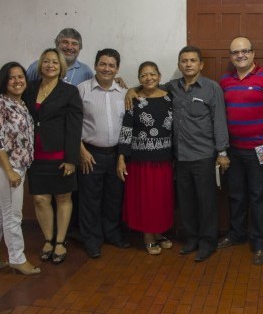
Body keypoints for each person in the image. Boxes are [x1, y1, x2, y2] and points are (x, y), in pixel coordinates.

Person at [125, 47, 229, 262]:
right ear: (179, 65)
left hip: (203, 155)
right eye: (184, 61)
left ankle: (207, 242)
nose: (188, 64)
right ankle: (191, 239)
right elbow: (148, 85)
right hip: (179, 157)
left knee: (206, 202)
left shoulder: (212, 88)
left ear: (201, 64)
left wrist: (222, 152)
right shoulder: (172, 88)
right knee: (186, 201)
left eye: (193, 60)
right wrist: (131, 90)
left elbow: (219, 121)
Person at [218, 36, 263, 265]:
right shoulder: (225, 81)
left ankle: (261, 243)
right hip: (233, 150)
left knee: (259, 198)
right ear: (230, 56)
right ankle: (237, 234)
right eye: (235, 52)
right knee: (236, 195)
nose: (240, 55)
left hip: (260, 150)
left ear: (253, 53)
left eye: (245, 51)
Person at [23, 48, 83, 265]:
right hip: (34, 155)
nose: (50, 65)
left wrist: (71, 158)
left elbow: (75, 127)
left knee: (63, 197)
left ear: (61, 67)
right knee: (40, 199)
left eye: (55, 63)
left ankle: (60, 241)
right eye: (46, 62)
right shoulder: (29, 89)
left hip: (60, 155)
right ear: (40, 65)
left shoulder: (69, 91)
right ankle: (48, 239)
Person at [117, 61, 174, 255]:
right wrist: (121, 157)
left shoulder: (169, 98)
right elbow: (126, 129)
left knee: (161, 199)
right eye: (144, 75)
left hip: (164, 159)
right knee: (147, 199)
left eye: (152, 74)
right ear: (139, 79)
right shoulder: (133, 100)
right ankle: (148, 236)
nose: (148, 78)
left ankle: (158, 232)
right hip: (141, 160)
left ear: (159, 76)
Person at [78, 49, 129, 259]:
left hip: (117, 155)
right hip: (90, 153)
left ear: (117, 68)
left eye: (111, 65)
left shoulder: (124, 92)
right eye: (102, 64)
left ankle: (112, 234)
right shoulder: (81, 90)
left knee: (114, 197)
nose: (107, 69)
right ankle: (91, 240)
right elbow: (72, 124)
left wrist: (122, 156)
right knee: (90, 200)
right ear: (96, 65)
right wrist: (81, 151)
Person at [0, 62, 40, 275]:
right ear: (4, 81)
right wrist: (8, 170)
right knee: (12, 215)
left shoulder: (21, 103)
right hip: (7, 167)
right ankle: (17, 258)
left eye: (20, 77)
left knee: (1, 214)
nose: (17, 81)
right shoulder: (1, 103)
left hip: (19, 166)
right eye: (11, 78)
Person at [27, 28, 93, 86]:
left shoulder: (86, 72)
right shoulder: (37, 67)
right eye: (65, 42)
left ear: (80, 48)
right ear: (57, 44)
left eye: (74, 43)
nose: (69, 47)